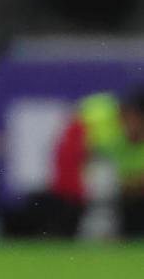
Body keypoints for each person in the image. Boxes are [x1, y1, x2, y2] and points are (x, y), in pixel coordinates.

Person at [48, 89, 144, 238]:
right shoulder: (96, 114)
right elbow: (67, 155)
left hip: (125, 195)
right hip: (86, 186)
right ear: (129, 112)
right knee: (102, 172)